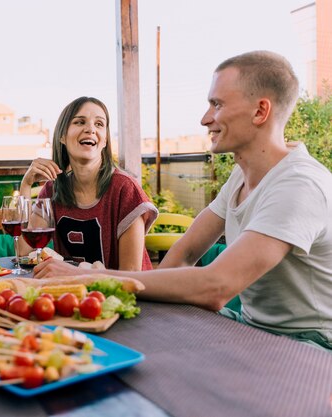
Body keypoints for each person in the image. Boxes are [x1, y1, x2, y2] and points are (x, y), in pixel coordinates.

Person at [35, 51, 332, 350]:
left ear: (260, 111)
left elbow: (216, 286)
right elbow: (183, 254)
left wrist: (89, 278)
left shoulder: (299, 185)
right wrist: (121, 301)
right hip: (254, 326)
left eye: (217, 104)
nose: (205, 119)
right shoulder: (242, 178)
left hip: (312, 345)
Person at [20, 96, 157, 271]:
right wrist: (26, 184)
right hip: (76, 294)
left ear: (105, 140)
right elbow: (24, 252)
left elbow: (131, 274)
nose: (90, 129)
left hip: (126, 296)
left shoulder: (125, 189)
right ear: (62, 136)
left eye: (99, 124)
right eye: (80, 122)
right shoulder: (52, 189)